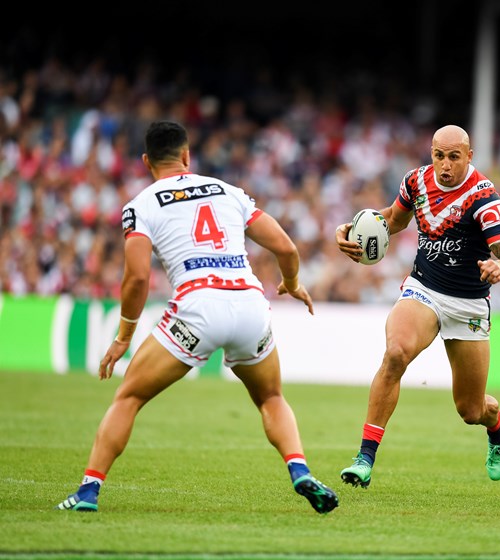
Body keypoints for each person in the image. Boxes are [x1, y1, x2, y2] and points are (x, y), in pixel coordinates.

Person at [55, 120, 338, 514]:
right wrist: (290, 282)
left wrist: (123, 336)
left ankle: (88, 492)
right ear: (187, 156)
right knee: (271, 397)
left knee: (130, 396)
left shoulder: (141, 205)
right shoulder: (229, 191)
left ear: (145, 161)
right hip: (249, 304)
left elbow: (136, 277)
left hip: (197, 308)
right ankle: (299, 468)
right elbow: (287, 248)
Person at [334, 124, 500, 488]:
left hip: (468, 304)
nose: (445, 165)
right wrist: (352, 229)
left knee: (470, 410)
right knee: (396, 353)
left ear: (469, 156)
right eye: (439, 155)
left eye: (454, 156)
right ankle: (364, 458)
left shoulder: (484, 198)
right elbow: (392, 219)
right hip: (424, 288)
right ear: (431, 154)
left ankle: (498, 425)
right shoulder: (415, 182)